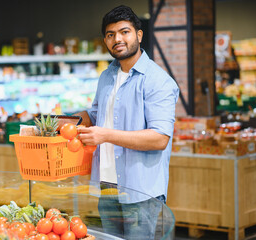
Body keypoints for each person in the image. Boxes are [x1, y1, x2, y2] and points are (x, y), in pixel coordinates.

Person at [75, 5, 179, 239]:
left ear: (139, 35)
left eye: (124, 32)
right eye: (110, 35)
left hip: (140, 192)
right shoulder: (107, 75)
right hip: (107, 188)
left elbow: (159, 138)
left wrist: (105, 135)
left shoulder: (158, 81)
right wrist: (65, 121)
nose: (117, 39)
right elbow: (95, 116)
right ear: (105, 40)